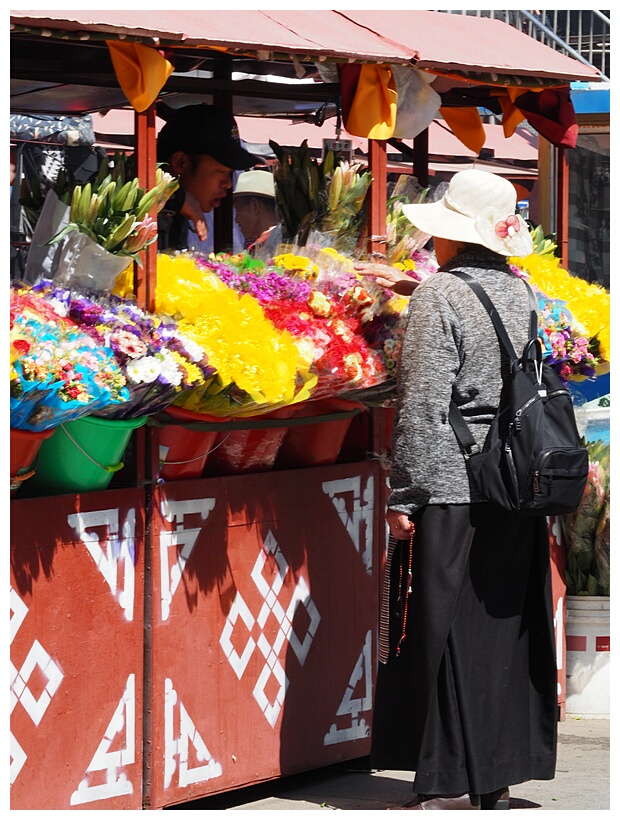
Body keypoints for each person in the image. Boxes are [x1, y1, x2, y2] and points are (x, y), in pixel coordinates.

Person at [364, 170, 558, 810]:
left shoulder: (439, 296)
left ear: (453, 236)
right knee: (496, 627)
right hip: (511, 482)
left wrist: (402, 495)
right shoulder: (518, 292)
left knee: (441, 626)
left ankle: (446, 774)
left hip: (451, 481)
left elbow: (421, 406)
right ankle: (493, 774)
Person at [156, 104, 258, 251]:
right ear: (181, 162)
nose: (228, 184)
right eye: (220, 171)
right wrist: (175, 196)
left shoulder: (181, 213)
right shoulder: (135, 210)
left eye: (230, 173)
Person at [232, 169, 280, 255]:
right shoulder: (262, 244)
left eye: (238, 209)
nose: (236, 219)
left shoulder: (277, 247)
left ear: (254, 206)